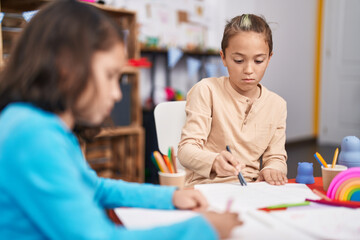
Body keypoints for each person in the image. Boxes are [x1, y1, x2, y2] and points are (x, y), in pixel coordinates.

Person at [0, 1, 242, 239]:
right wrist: (204, 229)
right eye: (110, 76)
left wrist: (170, 197)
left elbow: (94, 187)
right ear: (66, 66)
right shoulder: (33, 136)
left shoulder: (37, 124)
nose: (117, 94)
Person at [178, 14, 288, 187]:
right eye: (238, 60)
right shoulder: (207, 90)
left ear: (269, 58)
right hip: (206, 186)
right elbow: (186, 151)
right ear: (223, 57)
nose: (249, 70)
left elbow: (276, 157)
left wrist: (272, 169)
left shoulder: (277, 105)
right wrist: (214, 161)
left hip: (250, 188)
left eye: (259, 60)